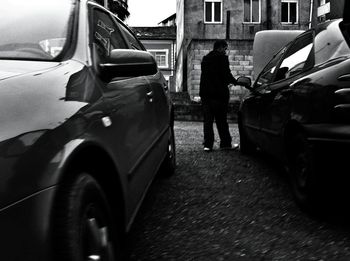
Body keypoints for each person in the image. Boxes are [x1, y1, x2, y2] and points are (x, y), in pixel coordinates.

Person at [199, 40, 237, 152]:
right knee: (221, 120)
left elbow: (205, 77)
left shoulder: (205, 59)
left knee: (208, 121)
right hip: (220, 94)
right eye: (225, 49)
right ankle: (225, 144)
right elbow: (226, 74)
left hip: (206, 94)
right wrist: (235, 81)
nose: (225, 51)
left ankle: (208, 145)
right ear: (220, 48)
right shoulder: (222, 58)